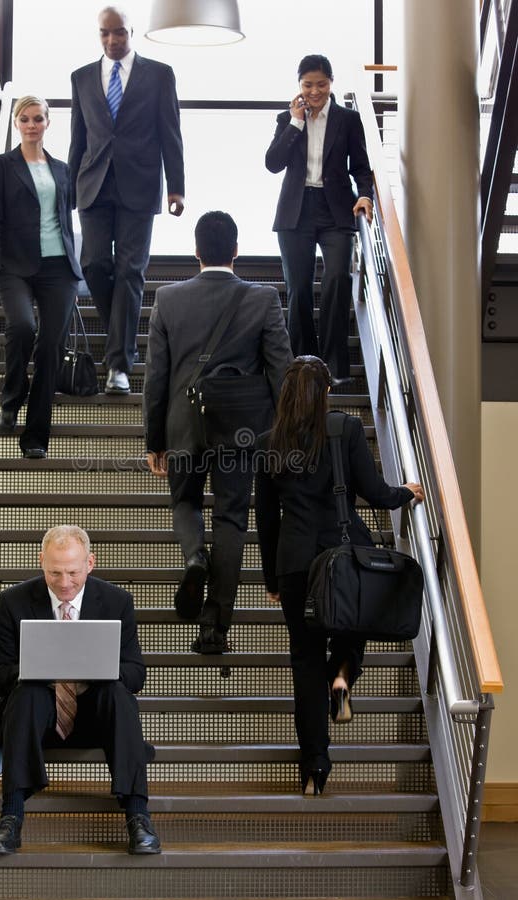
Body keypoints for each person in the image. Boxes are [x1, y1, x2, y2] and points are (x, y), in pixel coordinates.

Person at [254, 356, 424, 795]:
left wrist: (272, 579)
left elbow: (267, 520)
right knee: (354, 626)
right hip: (345, 558)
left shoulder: (270, 441)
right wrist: (406, 491)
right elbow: (375, 491)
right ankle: (344, 673)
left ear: (286, 394)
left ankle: (314, 769)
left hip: (295, 565)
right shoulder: (344, 428)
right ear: (326, 390)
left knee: (304, 663)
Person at [143, 211, 292, 653]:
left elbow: (156, 378)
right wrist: (281, 436)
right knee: (231, 519)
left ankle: (194, 558)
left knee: (185, 502)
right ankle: (214, 628)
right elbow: (282, 370)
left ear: (195, 252)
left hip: (184, 424)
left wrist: (155, 441)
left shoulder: (167, 299)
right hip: (242, 430)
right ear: (236, 251)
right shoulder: (263, 298)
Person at [0, 525, 160, 856]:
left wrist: (100, 669)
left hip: (96, 718)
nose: (65, 583)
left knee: (119, 694)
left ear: (90, 563)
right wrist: (35, 670)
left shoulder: (116, 602)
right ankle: (10, 818)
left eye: (73, 573)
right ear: (41, 563)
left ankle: (138, 816)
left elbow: (137, 675)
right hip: (37, 721)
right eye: (55, 573)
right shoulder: (13, 602)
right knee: (25, 693)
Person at [69, 5, 185, 395]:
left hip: (140, 184)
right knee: (94, 264)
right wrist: (69, 190)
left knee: (131, 271)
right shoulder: (82, 77)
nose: (112, 40)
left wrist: (177, 187)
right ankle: (119, 332)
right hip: (93, 184)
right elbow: (78, 139)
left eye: (118, 32)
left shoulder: (159, 74)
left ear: (131, 31)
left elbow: (171, 132)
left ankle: (119, 365)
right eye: (104, 34)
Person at [0, 95, 82, 460]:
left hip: (59, 269)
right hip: (15, 266)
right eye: (25, 119)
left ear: (48, 123)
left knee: (51, 348)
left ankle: (36, 435)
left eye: (38, 119)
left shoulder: (63, 169)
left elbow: (64, 218)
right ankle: (12, 396)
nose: (32, 125)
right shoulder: (3, 165)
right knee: (21, 327)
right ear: (17, 123)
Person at [265, 54, 374, 384]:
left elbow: (360, 165)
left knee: (337, 280)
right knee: (298, 289)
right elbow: (273, 163)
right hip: (296, 210)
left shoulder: (348, 119)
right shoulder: (288, 119)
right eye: (308, 85)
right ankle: (303, 366)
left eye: (321, 84)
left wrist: (365, 194)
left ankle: (334, 368)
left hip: (336, 209)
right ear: (299, 86)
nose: (315, 91)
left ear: (331, 83)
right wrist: (296, 123)